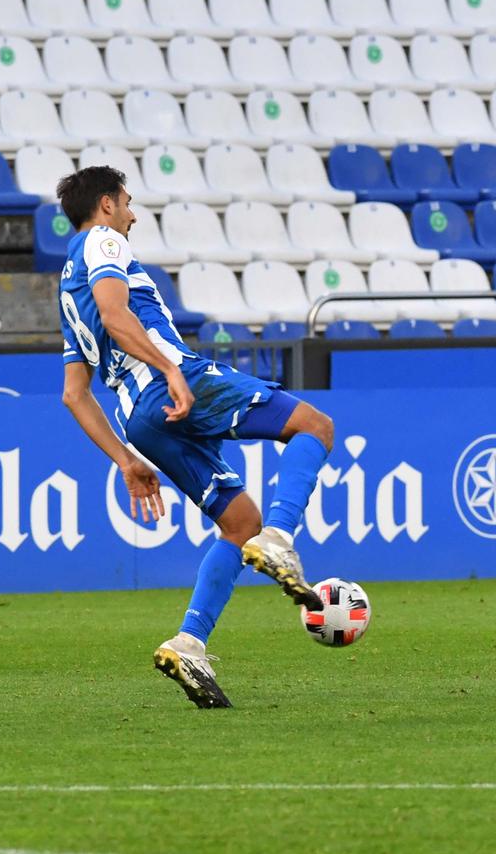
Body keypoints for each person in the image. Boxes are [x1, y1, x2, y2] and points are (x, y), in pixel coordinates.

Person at [54, 166, 333, 710]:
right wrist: (171, 369)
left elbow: (75, 393)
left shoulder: (66, 286)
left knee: (238, 522)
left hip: (140, 420)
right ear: (106, 205)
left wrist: (125, 461)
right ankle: (279, 540)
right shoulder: (104, 241)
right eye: (128, 203)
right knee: (315, 426)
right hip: (172, 384)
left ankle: (190, 644)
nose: (134, 215)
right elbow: (115, 316)